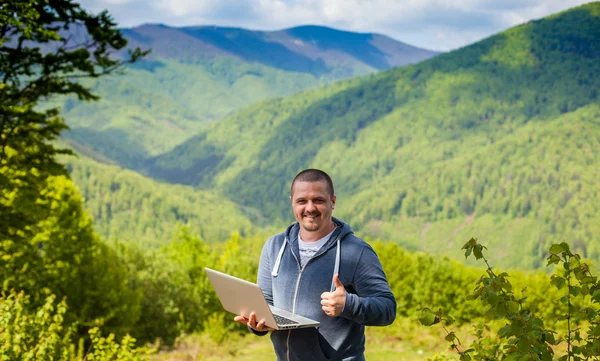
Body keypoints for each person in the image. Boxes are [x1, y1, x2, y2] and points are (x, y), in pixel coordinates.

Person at [234, 168, 396, 361]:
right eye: (302, 201)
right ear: (292, 203)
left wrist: (349, 305)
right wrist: (257, 324)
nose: (310, 208)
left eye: (318, 200)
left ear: (333, 202)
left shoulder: (357, 252)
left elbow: (387, 309)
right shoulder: (274, 246)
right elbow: (267, 304)